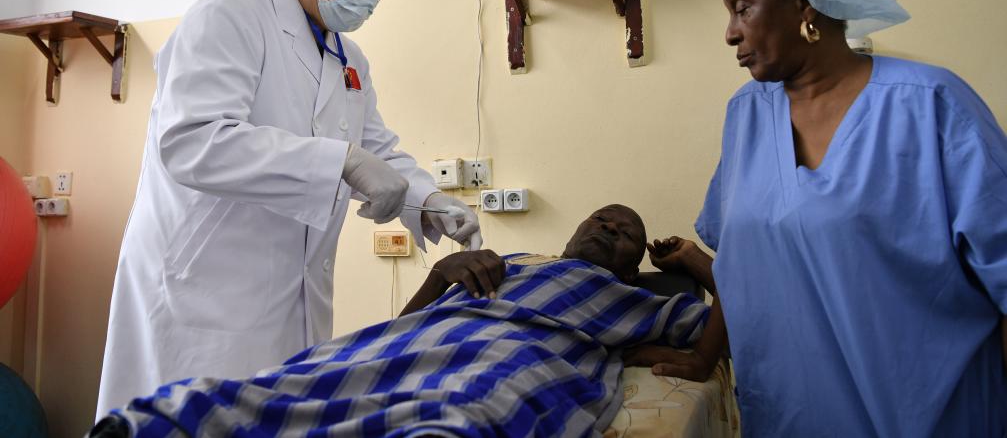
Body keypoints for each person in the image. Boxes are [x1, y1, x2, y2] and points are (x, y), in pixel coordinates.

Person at [96, 0, 482, 418]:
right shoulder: (230, 15)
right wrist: (340, 162)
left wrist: (429, 200)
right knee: (185, 423)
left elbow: (376, 150)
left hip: (292, 299)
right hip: (202, 291)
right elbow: (192, 140)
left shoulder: (349, 58)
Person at [648, 0, 1007, 436]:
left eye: (742, 8)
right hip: (791, 414)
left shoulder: (930, 104)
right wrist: (706, 357)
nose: (730, 32)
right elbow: (741, 264)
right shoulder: (747, 113)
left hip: (930, 416)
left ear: (805, 3)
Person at [89, 204, 725, 437]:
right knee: (309, 378)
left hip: (516, 356)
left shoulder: (630, 298)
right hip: (420, 344)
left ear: (633, 264)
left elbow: (737, 318)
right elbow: (405, 327)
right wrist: (439, 274)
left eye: (624, 233)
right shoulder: (504, 263)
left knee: (470, 406)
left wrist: (697, 263)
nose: (608, 229)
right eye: (600, 220)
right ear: (571, 234)